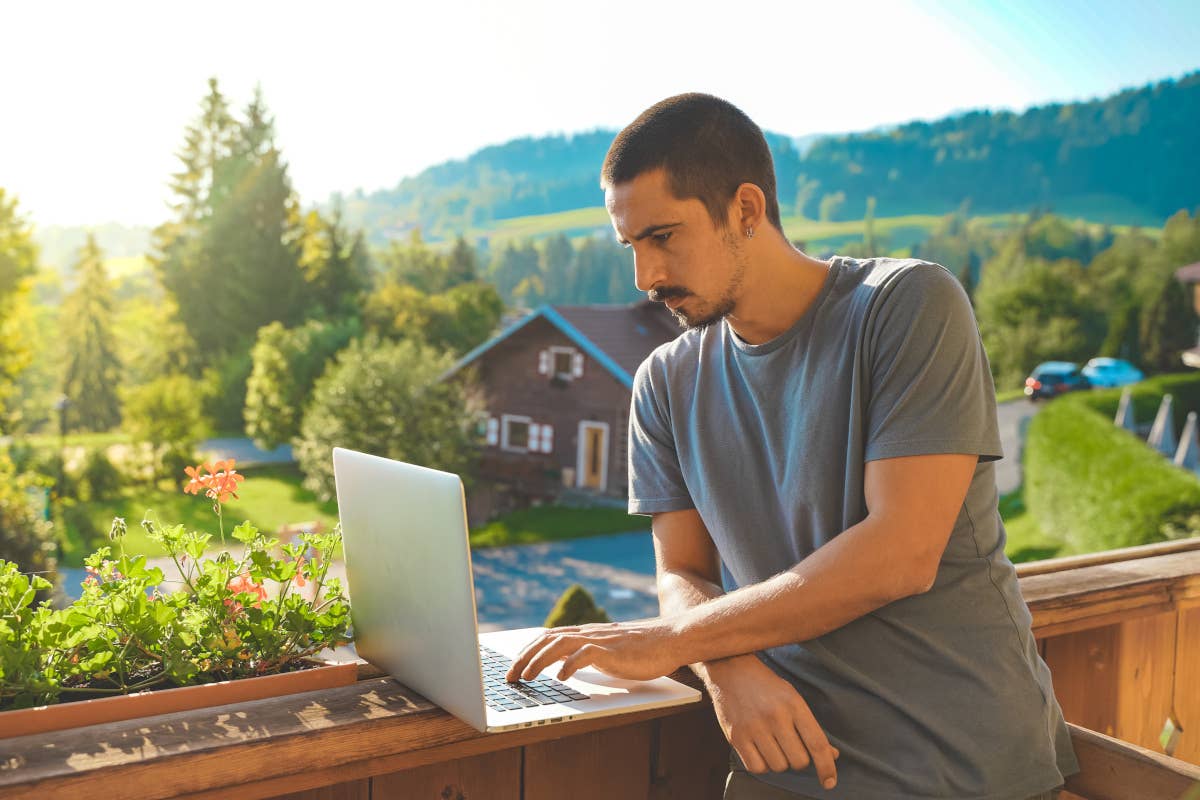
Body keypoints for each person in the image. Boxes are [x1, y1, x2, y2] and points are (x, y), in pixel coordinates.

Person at [506, 93, 1078, 799]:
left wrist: (677, 643)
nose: (645, 277)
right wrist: (726, 667)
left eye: (663, 237)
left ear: (746, 210)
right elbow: (681, 572)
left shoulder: (906, 306)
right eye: (632, 246)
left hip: (961, 769)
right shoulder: (663, 380)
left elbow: (901, 553)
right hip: (790, 772)